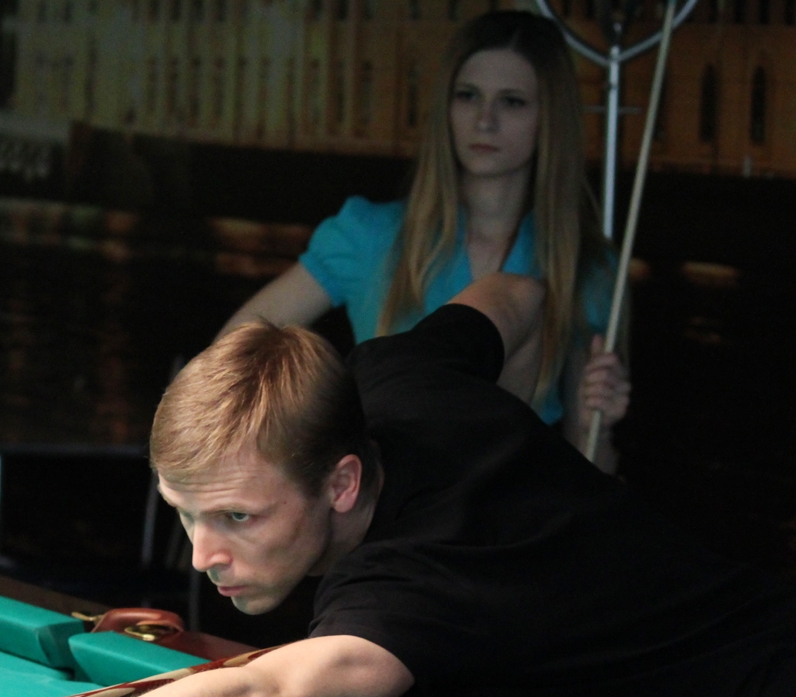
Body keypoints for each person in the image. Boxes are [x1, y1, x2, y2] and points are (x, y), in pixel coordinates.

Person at [0, 274, 796, 697]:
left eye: (238, 519)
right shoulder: (386, 374)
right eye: (184, 513)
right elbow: (512, 293)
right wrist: (537, 387)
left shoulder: (418, 584)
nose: (201, 556)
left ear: (341, 483)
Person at [218, 11, 630, 470]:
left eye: (512, 102)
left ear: (549, 117)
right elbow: (231, 355)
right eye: (467, 95)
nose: (485, 121)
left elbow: (586, 470)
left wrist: (599, 424)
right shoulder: (368, 235)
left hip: (511, 504)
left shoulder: (584, 265)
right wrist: (301, 450)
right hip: (382, 498)